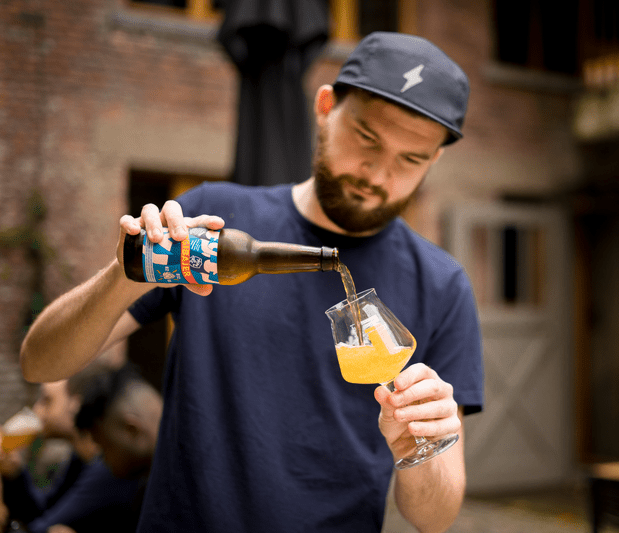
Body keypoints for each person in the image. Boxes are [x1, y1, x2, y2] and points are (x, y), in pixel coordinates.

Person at [19, 31, 484, 533]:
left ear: (435, 159)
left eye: (410, 159)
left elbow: (435, 520)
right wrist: (124, 277)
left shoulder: (442, 285)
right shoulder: (212, 225)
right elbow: (41, 362)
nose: (377, 172)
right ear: (326, 106)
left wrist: (421, 448)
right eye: (367, 138)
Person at [1, 364, 141, 533]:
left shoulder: (108, 467)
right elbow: (44, 511)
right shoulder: (80, 458)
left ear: (76, 405)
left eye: (47, 401)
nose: (37, 410)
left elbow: (41, 529)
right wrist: (15, 473)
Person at [73, 363, 162, 526]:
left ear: (132, 430)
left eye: (104, 446)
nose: (100, 457)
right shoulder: (150, 482)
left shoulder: (185, 484)